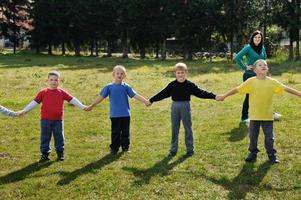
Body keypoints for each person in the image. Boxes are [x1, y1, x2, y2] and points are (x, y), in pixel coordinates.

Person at [218, 59, 301, 163]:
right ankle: (253, 153)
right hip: (254, 115)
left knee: (269, 137)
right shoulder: (251, 81)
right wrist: (224, 96)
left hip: (267, 115)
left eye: (265, 65)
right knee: (253, 137)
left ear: (267, 69)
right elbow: (237, 89)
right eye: (260, 65)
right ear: (255, 70)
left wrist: (299, 94)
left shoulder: (272, 82)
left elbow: (286, 88)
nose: (263, 66)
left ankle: (271, 154)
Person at [149, 63, 220, 157]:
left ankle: (190, 149)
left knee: (188, 128)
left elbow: (201, 93)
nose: (180, 75)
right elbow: (162, 94)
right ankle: (173, 150)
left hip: (185, 106)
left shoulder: (190, 85)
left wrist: (214, 96)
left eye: (182, 72)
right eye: (178, 73)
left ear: (186, 73)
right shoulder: (172, 85)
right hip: (175, 106)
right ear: (175, 73)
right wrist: (151, 100)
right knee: (175, 128)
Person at [19, 71, 87, 162]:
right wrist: (24, 110)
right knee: (45, 137)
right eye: (51, 80)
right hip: (45, 120)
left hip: (58, 120)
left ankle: (60, 153)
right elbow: (34, 102)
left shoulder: (62, 92)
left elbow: (72, 100)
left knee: (59, 137)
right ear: (48, 81)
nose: (54, 82)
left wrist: (83, 107)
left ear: (59, 81)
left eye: (56, 80)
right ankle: (45, 154)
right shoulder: (43, 92)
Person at [85, 65, 150, 155]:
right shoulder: (109, 87)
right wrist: (92, 105)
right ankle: (114, 149)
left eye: (122, 73)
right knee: (115, 132)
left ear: (125, 75)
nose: (119, 75)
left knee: (125, 132)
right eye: (117, 73)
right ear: (113, 75)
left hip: (125, 114)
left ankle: (125, 148)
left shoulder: (126, 87)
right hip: (115, 115)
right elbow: (101, 97)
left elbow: (135, 95)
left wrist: (145, 101)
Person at [235, 30, 282, 123]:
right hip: (249, 75)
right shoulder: (248, 47)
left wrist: (264, 71)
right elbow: (237, 57)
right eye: (255, 37)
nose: (257, 39)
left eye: (259, 37)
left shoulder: (263, 48)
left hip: (260, 75)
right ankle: (244, 117)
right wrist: (245, 67)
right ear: (252, 38)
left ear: (261, 39)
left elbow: (264, 60)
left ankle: (269, 113)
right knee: (249, 96)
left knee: (264, 94)